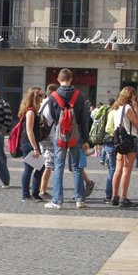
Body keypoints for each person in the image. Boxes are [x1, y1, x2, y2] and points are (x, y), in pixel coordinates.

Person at [43, 69, 91, 209]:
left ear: (58, 79)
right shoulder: (79, 95)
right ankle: (80, 199)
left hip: (59, 134)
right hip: (76, 135)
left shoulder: (53, 96)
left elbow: (51, 116)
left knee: (58, 166)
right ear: (71, 79)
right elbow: (84, 120)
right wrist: (86, 139)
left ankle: (57, 200)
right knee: (76, 166)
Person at [110, 86, 138, 207]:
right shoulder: (128, 108)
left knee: (118, 169)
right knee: (126, 170)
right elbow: (137, 124)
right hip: (129, 140)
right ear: (131, 96)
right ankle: (124, 198)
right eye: (134, 95)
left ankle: (114, 196)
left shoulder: (116, 107)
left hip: (119, 140)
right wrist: (136, 108)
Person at [19, 87, 45, 201]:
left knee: (38, 168)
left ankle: (33, 193)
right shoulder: (30, 111)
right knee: (31, 168)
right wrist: (35, 148)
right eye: (40, 95)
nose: (42, 98)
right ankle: (27, 194)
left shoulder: (33, 110)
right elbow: (29, 130)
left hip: (31, 143)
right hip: (29, 143)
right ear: (33, 97)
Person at [38, 84, 57, 198]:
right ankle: (42, 190)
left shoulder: (42, 103)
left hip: (41, 136)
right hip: (50, 136)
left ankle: (36, 187)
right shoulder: (54, 103)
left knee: (40, 163)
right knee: (48, 165)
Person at [102, 99, 118, 203]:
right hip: (113, 142)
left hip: (108, 142)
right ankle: (109, 194)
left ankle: (110, 194)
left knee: (112, 169)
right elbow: (109, 128)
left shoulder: (110, 111)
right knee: (113, 170)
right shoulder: (115, 112)